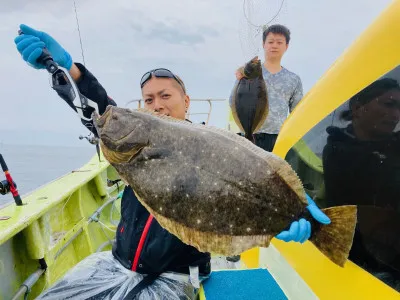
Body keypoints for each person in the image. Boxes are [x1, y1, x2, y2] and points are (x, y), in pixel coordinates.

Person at [14, 24, 329, 299]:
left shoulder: (210, 143)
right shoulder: (135, 142)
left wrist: (291, 211)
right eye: (148, 100)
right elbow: (98, 112)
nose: (157, 105)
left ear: (186, 101)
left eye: (166, 96)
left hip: (176, 277)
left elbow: (251, 179)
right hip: (118, 264)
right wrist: (69, 70)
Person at [322, 78, 400, 291]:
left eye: (399, 107)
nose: (396, 115)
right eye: (388, 104)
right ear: (358, 107)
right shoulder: (337, 151)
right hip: (360, 264)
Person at [232, 24, 303, 152]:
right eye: (270, 42)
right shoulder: (245, 72)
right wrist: (241, 75)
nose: (274, 45)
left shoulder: (294, 79)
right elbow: (234, 98)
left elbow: (296, 112)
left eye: (279, 42)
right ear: (264, 44)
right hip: (249, 135)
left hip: (278, 137)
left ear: (286, 46)